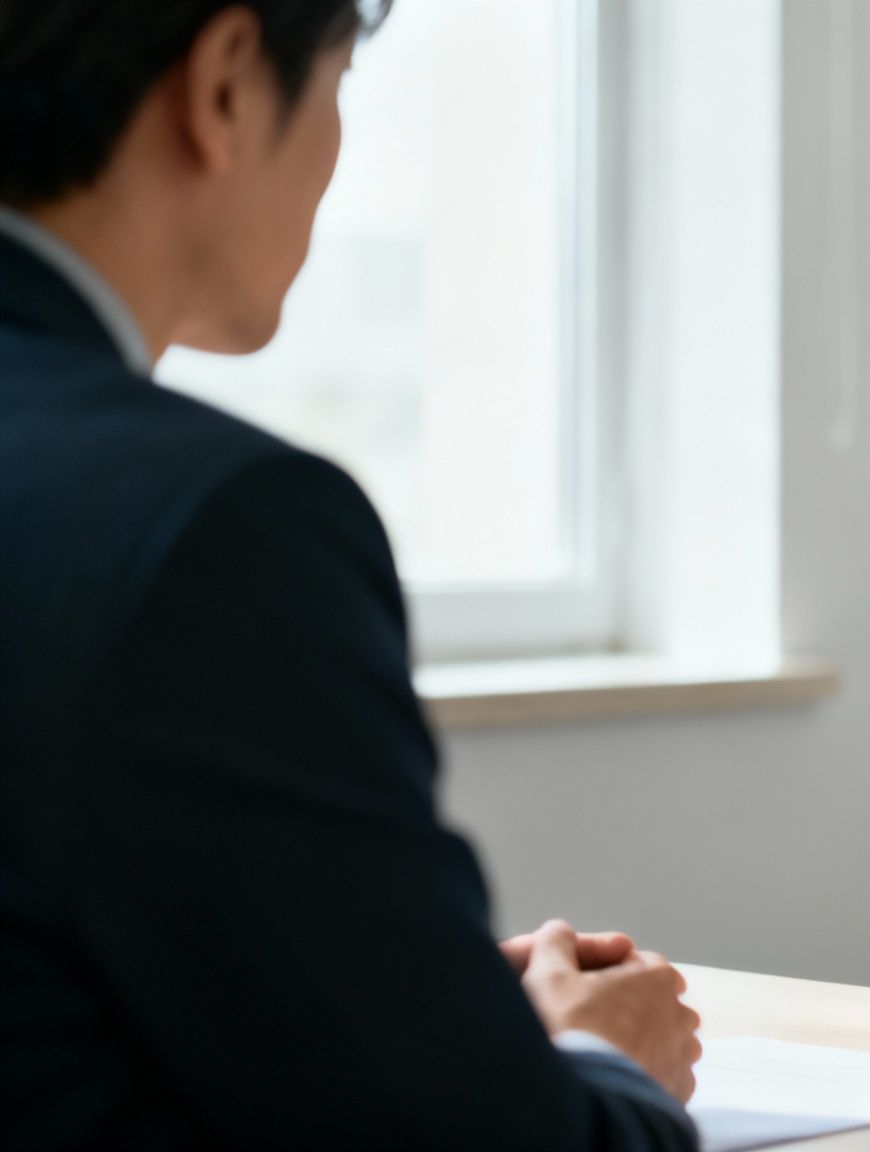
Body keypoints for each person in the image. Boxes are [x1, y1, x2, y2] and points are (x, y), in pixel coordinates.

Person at [0, 2, 700, 1146]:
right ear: (226, 82)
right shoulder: (211, 525)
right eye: (336, 86)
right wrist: (593, 1059)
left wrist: (409, 994)